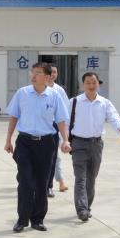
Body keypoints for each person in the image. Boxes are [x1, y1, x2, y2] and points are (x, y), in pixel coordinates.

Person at [4, 63, 70, 233]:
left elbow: (61, 120)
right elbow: (14, 116)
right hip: (25, 142)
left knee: (42, 182)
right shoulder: (23, 93)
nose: (33, 76)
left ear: (47, 77)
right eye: (32, 72)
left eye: (38, 73)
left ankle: (38, 219)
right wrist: (8, 139)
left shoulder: (54, 96)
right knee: (25, 181)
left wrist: (65, 140)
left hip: (46, 144)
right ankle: (22, 219)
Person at [69, 72, 120, 222]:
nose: (91, 85)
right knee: (80, 178)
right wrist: (64, 141)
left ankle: (87, 206)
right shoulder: (74, 102)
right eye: (88, 82)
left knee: (91, 178)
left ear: (98, 84)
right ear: (82, 85)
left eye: (94, 82)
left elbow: (113, 116)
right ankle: (82, 209)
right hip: (78, 143)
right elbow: (64, 121)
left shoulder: (104, 103)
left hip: (96, 144)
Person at [46, 65, 70, 196]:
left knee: (55, 157)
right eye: (50, 72)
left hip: (56, 127)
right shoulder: (37, 88)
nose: (52, 74)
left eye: (55, 72)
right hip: (41, 127)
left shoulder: (59, 90)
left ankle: (57, 182)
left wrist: (65, 135)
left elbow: (66, 111)